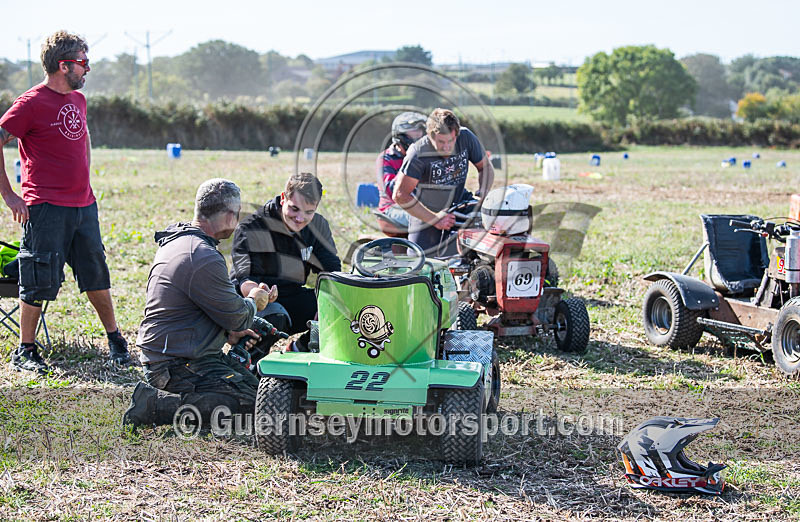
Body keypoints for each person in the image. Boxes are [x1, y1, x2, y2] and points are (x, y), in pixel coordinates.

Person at [0, 31, 130, 373]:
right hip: (44, 207)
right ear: (63, 65)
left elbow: (83, 137)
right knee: (38, 276)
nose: (87, 70)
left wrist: (84, 179)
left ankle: (115, 338)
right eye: (83, 63)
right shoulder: (30, 103)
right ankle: (25, 350)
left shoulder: (78, 100)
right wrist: (10, 195)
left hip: (83, 206)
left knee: (96, 273)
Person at [123, 179, 273, 428]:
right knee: (248, 403)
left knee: (258, 392)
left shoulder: (180, 239)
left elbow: (196, 308)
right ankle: (153, 405)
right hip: (174, 363)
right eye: (236, 214)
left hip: (177, 351)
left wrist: (226, 333)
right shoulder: (202, 256)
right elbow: (238, 316)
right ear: (227, 215)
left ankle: (221, 377)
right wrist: (255, 300)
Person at [231, 172, 341, 352]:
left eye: (309, 212)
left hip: (292, 293)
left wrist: (326, 303)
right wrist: (258, 292)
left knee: (340, 308)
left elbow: (331, 270)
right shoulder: (252, 226)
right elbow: (245, 278)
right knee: (274, 317)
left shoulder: (318, 226)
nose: (300, 218)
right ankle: (251, 368)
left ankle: (299, 349)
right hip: (252, 300)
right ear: (283, 198)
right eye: (294, 209)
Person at [393, 108, 494, 255]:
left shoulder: (466, 137)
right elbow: (400, 194)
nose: (447, 147)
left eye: (451, 141)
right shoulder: (417, 153)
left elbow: (485, 167)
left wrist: (483, 192)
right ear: (430, 136)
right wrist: (434, 219)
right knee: (420, 264)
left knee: (481, 250)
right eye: (441, 142)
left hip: (460, 203)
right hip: (426, 211)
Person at [375, 112, 427, 228]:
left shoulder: (424, 156)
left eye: (419, 132)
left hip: (419, 204)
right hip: (393, 207)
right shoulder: (385, 158)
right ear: (401, 136)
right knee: (425, 218)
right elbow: (390, 190)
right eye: (413, 133)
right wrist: (409, 162)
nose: (418, 136)